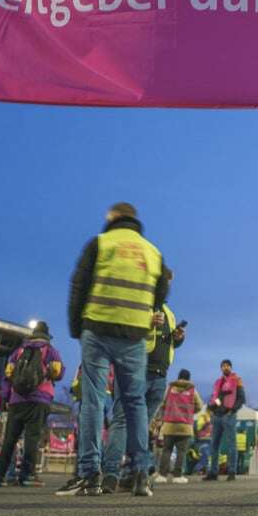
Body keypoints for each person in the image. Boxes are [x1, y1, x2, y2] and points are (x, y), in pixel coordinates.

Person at [57, 201, 170, 498]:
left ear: (112, 218)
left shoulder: (100, 243)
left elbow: (78, 286)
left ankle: (91, 475)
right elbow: (161, 294)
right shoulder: (153, 252)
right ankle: (142, 476)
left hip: (97, 329)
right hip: (134, 337)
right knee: (135, 405)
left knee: (93, 402)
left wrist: (75, 327)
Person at [102, 299, 185, 490]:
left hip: (159, 376)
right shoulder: (138, 301)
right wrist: (147, 323)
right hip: (135, 370)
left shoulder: (168, 312)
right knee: (122, 420)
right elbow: (121, 330)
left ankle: (134, 474)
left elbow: (165, 341)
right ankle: (111, 474)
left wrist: (178, 338)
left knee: (141, 426)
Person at [0, 321, 64, 487]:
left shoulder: (18, 351)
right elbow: (59, 373)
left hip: (16, 400)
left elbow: (7, 375)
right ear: (47, 336)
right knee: (32, 438)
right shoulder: (50, 350)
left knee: (10, 439)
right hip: (39, 399)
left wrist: (6, 397)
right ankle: (27, 476)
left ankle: (0, 477)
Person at [155, 369, 203, 483]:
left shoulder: (170, 389)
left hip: (169, 424)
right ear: (188, 378)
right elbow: (200, 406)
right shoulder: (192, 391)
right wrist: (190, 412)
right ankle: (177, 476)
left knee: (166, 450)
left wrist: (160, 418)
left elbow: (162, 403)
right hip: (185, 426)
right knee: (181, 452)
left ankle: (162, 475)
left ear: (178, 377)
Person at [204, 359, 245, 481]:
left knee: (232, 444)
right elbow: (216, 398)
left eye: (227, 366)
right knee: (214, 445)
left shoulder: (237, 380)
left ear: (231, 368)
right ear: (221, 368)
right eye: (223, 366)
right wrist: (211, 407)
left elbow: (241, 398)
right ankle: (213, 472)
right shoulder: (218, 382)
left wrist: (232, 411)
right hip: (217, 416)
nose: (225, 368)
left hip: (228, 415)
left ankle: (232, 471)